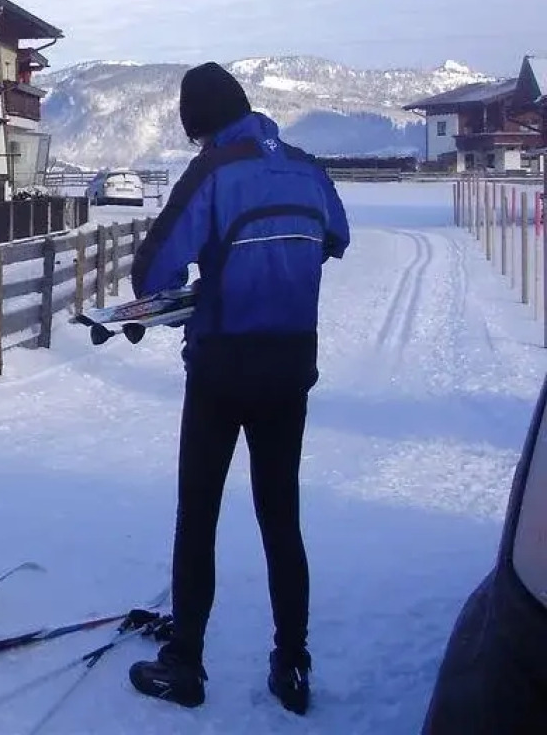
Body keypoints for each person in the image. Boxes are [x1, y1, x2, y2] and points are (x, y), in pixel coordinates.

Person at [125, 62, 350, 715]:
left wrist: (205, 279)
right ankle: (293, 665)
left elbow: (153, 269)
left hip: (223, 369)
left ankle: (186, 666)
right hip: (289, 368)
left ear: (200, 124)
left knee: (199, 516)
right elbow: (336, 236)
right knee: (281, 518)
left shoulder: (214, 170)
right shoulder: (307, 167)